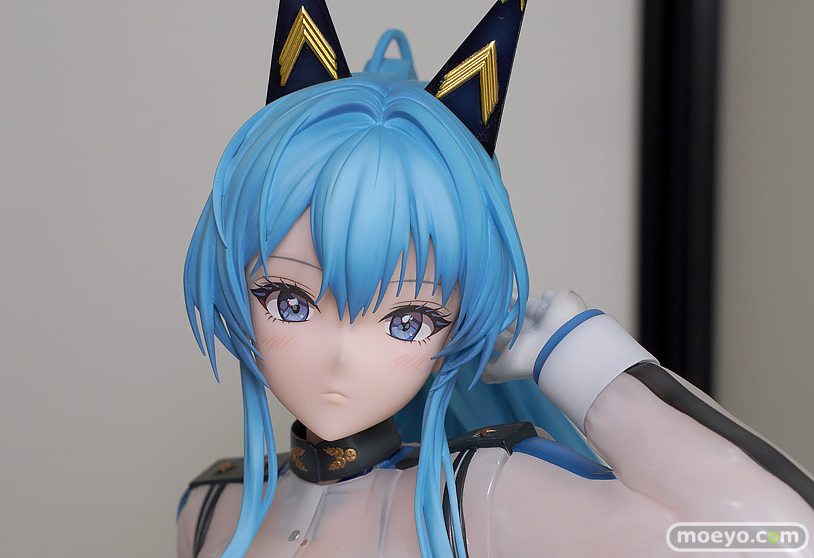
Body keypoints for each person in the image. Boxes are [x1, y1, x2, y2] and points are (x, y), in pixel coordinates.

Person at [178, 1, 814, 557]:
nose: (341, 358)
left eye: (408, 320)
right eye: (289, 301)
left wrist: (577, 355)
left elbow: (779, 536)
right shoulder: (211, 507)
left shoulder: (480, 498)